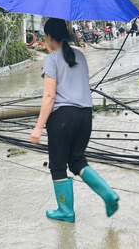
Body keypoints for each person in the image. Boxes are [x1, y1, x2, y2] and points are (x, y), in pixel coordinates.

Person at [30, 18, 119, 223]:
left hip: (63, 118)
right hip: (85, 116)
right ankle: (108, 194)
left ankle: (66, 211)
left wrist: (38, 127)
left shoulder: (50, 60)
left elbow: (50, 97)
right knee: (77, 160)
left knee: (58, 165)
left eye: (45, 36)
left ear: (49, 37)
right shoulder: (80, 55)